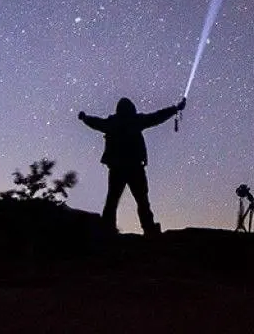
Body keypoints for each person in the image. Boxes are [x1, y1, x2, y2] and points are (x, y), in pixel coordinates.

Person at [78, 96, 186, 236]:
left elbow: (96, 123)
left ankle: (107, 228)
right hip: (134, 167)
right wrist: (175, 108)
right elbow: (156, 117)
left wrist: (85, 118)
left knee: (113, 199)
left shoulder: (112, 123)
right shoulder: (136, 121)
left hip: (117, 167)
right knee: (141, 200)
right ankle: (149, 229)